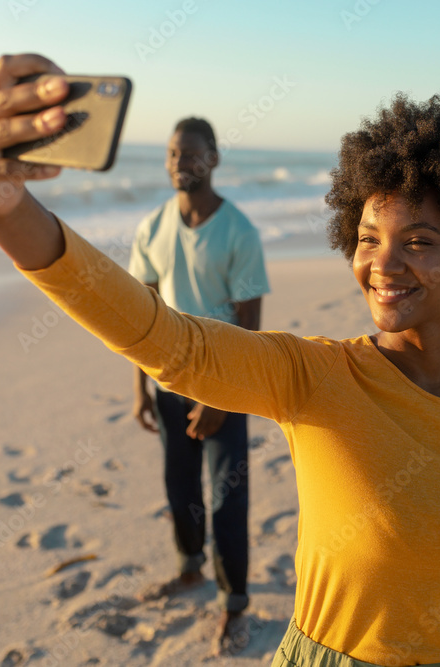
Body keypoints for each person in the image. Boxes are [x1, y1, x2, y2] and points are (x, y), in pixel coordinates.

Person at [0, 54, 440, 666]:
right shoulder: (315, 379)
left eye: (419, 242)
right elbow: (169, 341)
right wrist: (2, 208)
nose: (383, 264)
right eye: (369, 238)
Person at [128, 117, 270, 651]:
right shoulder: (152, 228)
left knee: (228, 496)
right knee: (179, 487)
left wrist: (221, 397)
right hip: (168, 384)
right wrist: (140, 387)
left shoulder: (240, 232)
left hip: (224, 386)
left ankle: (234, 605)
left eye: (190, 154)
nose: (178, 163)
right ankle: (189, 568)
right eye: (171, 154)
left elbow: (249, 328)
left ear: (213, 159)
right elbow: (138, 319)